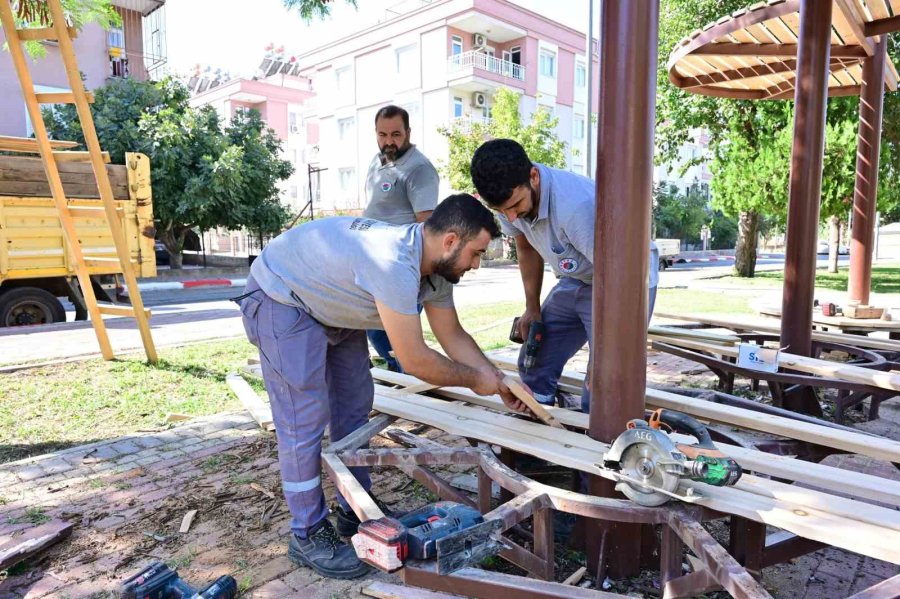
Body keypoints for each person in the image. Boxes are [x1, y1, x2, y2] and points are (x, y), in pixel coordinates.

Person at [237, 194, 528, 579]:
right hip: (282, 297)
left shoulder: (437, 270)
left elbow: (453, 335)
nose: (476, 265)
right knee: (302, 418)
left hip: (332, 303)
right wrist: (476, 380)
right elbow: (415, 359)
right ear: (451, 241)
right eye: (476, 253)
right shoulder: (393, 262)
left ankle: (352, 509)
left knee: (355, 404)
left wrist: (499, 379)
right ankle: (307, 533)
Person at [470, 138, 658, 413]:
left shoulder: (577, 208)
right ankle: (538, 432)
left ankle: (597, 450)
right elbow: (525, 245)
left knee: (604, 384)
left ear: (533, 176)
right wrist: (531, 308)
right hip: (580, 276)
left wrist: (602, 361)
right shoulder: (507, 202)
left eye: (515, 205)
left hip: (626, 280)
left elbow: (618, 282)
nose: (511, 217)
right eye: (502, 211)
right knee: (533, 362)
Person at [363, 105, 440, 373]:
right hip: (374, 266)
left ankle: (414, 384)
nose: (389, 141)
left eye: (396, 134)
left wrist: (419, 272)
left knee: (396, 336)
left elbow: (427, 225)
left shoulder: (419, 169)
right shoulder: (378, 161)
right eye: (382, 134)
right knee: (376, 331)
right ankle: (405, 375)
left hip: (401, 268)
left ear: (408, 132)